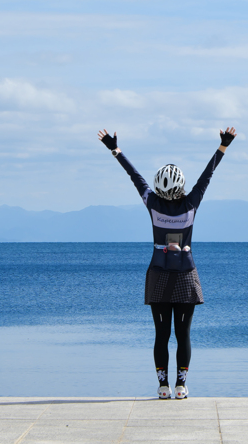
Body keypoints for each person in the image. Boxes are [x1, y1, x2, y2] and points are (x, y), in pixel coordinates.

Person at [97, 126, 237, 399]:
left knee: (161, 334)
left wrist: (115, 149)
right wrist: (223, 147)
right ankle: (181, 386)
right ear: (181, 185)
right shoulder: (192, 203)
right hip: (186, 275)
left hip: (159, 276)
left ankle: (163, 387)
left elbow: (134, 176)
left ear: (159, 186)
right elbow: (208, 175)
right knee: (183, 334)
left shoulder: (153, 204)